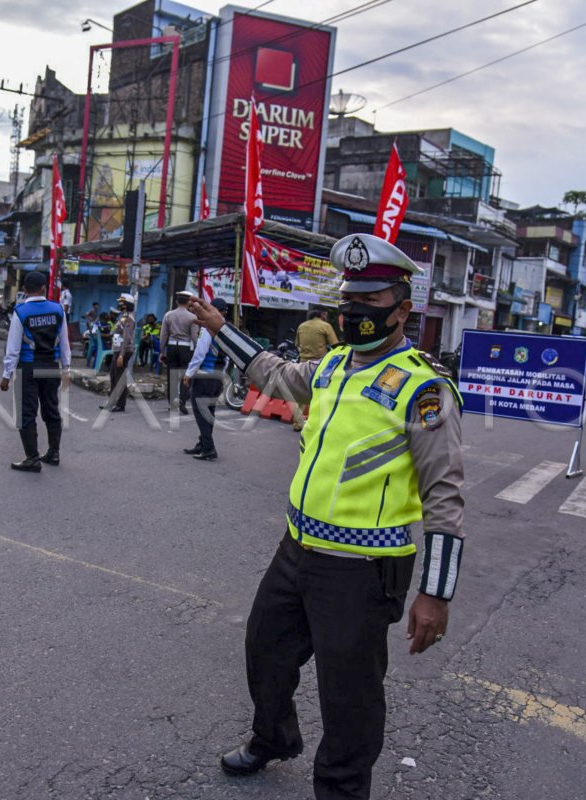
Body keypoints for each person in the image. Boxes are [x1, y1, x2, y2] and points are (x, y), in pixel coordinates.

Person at [187, 233, 466, 800]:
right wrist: (220, 327)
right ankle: (274, 738)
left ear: (402, 309)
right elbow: (273, 374)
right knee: (265, 652)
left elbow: (445, 495)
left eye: (369, 304)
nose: (354, 314)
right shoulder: (334, 364)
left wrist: (436, 593)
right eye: (349, 303)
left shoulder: (423, 388)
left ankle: (340, 791)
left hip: (364, 570)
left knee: (350, 697)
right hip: (297, 551)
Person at [0, 270, 71, 471]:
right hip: (51, 367)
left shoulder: (21, 313)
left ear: (24, 290)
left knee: (26, 413)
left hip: (28, 368)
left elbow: (12, 349)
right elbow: (65, 344)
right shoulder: (58, 310)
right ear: (43, 288)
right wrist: (66, 369)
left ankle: (32, 458)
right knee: (51, 410)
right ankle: (53, 453)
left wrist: (6, 376)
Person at [181, 298, 229, 461]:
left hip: (205, 376)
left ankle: (208, 448)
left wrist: (188, 374)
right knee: (209, 413)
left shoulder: (209, 328)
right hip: (217, 377)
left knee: (201, 412)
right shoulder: (226, 330)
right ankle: (202, 444)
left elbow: (200, 353)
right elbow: (228, 357)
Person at [292, 309, 340, 431]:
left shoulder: (301, 326)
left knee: (301, 394)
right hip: (320, 364)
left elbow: (296, 343)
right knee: (321, 393)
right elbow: (336, 345)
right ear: (323, 314)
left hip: (303, 363)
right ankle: (318, 423)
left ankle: (298, 423)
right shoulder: (325, 326)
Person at [160, 290, 199, 413]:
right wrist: (197, 352)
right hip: (185, 348)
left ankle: (172, 403)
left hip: (171, 347)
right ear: (189, 302)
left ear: (177, 301)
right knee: (185, 376)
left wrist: (162, 351)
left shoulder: (168, 315)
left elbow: (163, 335)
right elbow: (194, 337)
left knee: (171, 375)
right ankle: (182, 401)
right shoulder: (192, 317)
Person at [101, 295, 137, 412]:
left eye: (122, 303)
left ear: (127, 304)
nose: (120, 305)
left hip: (124, 351)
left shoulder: (129, 319)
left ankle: (120, 404)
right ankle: (111, 402)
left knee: (119, 378)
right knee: (113, 376)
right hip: (118, 350)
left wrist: (121, 355)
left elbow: (127, 338)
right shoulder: (124, 317)